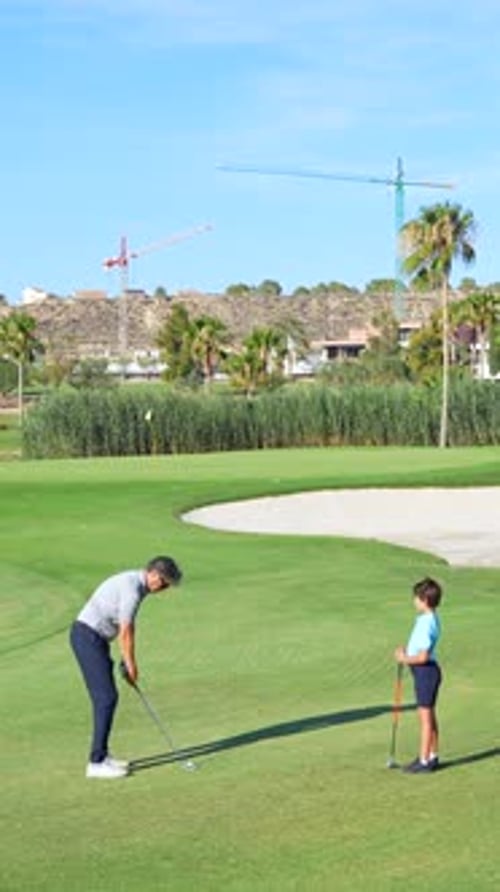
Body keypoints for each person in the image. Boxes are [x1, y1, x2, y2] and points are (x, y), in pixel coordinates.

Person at [70, 555, 182, 779]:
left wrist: (125, 659)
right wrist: (131, 665)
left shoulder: (136, 584)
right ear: (153, 574)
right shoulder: (132, 589)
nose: (164, 587)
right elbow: (126, 631)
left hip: (95, 639)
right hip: (87, 637)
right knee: (106, 698)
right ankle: (96, 762)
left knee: (107, 698)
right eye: (164, 582)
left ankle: (103, 755)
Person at [394, 576, 443, 774]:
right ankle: (432, 755)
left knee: (424, 718)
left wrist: (403, 658)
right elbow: (420, 649)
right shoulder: (429, 618)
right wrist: (407, 651)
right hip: (428, 672)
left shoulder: (426, 622)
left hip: (425, 672)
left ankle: (423, 761)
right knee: (429, 715)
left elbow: (422, 657)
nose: (414, 601)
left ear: (424, 600)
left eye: (416, 598)